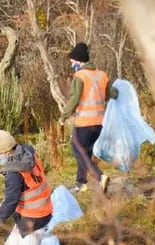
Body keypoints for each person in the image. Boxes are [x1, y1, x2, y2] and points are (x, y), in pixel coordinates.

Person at [59, 42, 118, 193]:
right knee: (86, 153)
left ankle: (100, 176)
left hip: (84, 123)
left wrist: (63, 116)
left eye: (72, 62)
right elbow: (112, 94)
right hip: (99, 124)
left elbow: (74, 99)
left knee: (79, 151)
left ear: (79, 61)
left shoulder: (80, 76)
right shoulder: (102, 75)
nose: (72, 65)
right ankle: (81, 183)